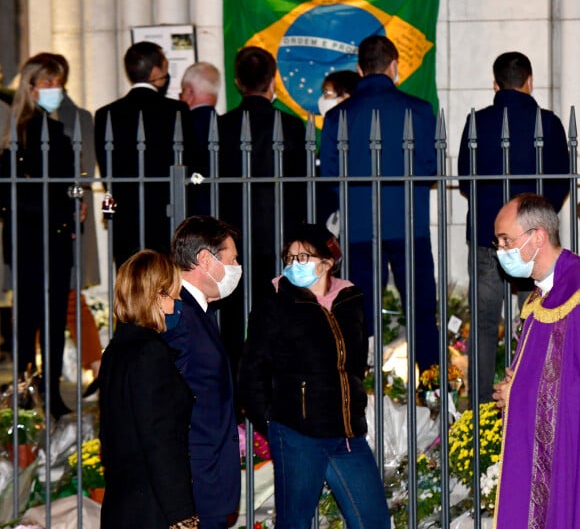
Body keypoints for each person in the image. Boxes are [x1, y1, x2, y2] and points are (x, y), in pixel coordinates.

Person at [239, 223, 391, 529]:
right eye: (289, 257)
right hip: (298, 433)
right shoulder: (276, 301)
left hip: (347, 434)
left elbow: (354, 365)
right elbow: (252, 370)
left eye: (303, 256)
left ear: (327, 260)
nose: (295, 263)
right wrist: (274, 422)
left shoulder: (351, 298)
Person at [320, 34, 439, 372]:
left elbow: (329, 175)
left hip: (359, 229)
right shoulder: (418, 110)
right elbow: (430, 168)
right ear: (394, 67)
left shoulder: (337, 117)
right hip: (408, 225)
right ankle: (431, 391)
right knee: (420, 314)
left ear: (359, 69)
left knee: (359, 317)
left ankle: (360, 392)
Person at [458, 51, 570, 404]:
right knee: (539, 320)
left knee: (484, 323)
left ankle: (477, 407)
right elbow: (561, 182)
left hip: (487, 238)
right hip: (535, 241)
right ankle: (531, 398)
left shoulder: (477, 121)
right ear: (529, 80)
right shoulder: (549, 123)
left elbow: (464, 180)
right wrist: (535, 223)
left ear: (495, 84)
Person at [490, 193, 580, 529]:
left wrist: (522, 393)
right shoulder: (540, 299)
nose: (501, 251)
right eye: (498, 243)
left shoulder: (574, 292)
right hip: (541, 445)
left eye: (506, 241)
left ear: (538, 237)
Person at [95, 250, 200, 529]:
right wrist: (182, 519)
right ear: (157, 296)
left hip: (122, 506)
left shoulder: (115, 352)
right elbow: (160, 442)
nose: (175, 305)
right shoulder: (150, 354)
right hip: (152, 511)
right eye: (172, 295)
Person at [218, 45, 307, 369]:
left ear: (239, 82)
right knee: (278, 319)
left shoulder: (222, 126)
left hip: (232, 241)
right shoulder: (293, 126)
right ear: (273, 80)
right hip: (279, 238)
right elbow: (302, 187)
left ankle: (236, 390)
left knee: (231, 321)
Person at [0, 53, 75, 419]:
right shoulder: (21, 133)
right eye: (47, 83)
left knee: (49, 317)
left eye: (58, 82)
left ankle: (41, 388)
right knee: (34, 316)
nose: (54, 90)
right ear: (30, 88)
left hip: (51, 235)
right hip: (35, 235)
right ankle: (32, 388)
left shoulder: (52, 131)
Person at [163, 215, 242, 529]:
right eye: (232, 259)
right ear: (206, 260)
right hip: (196, 478)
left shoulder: (198, 311)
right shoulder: (177, 314)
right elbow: (168, 405)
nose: (237, 267)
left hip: (206, 477)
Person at [95, 41, 194, 267]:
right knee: (165, 283)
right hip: (167, 215)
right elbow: (189, 163)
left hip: (125, 217)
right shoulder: (176, 111)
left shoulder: (105, 115)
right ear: (156, 71)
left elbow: (106, 170)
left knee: (130, 282)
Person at [46, 52, 103, 392]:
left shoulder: (78, 117)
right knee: (41, 299)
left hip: (66, 218)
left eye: (55, 80)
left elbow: (85, 168)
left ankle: (97, 365)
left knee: (68, 296)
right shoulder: (24, 119)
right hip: (33, 219)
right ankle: (41, 375)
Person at [180, 61, 221, 214]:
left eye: (182, 91)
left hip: (190, 210)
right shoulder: (226, 125)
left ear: (189, 92)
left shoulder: (183, 126)